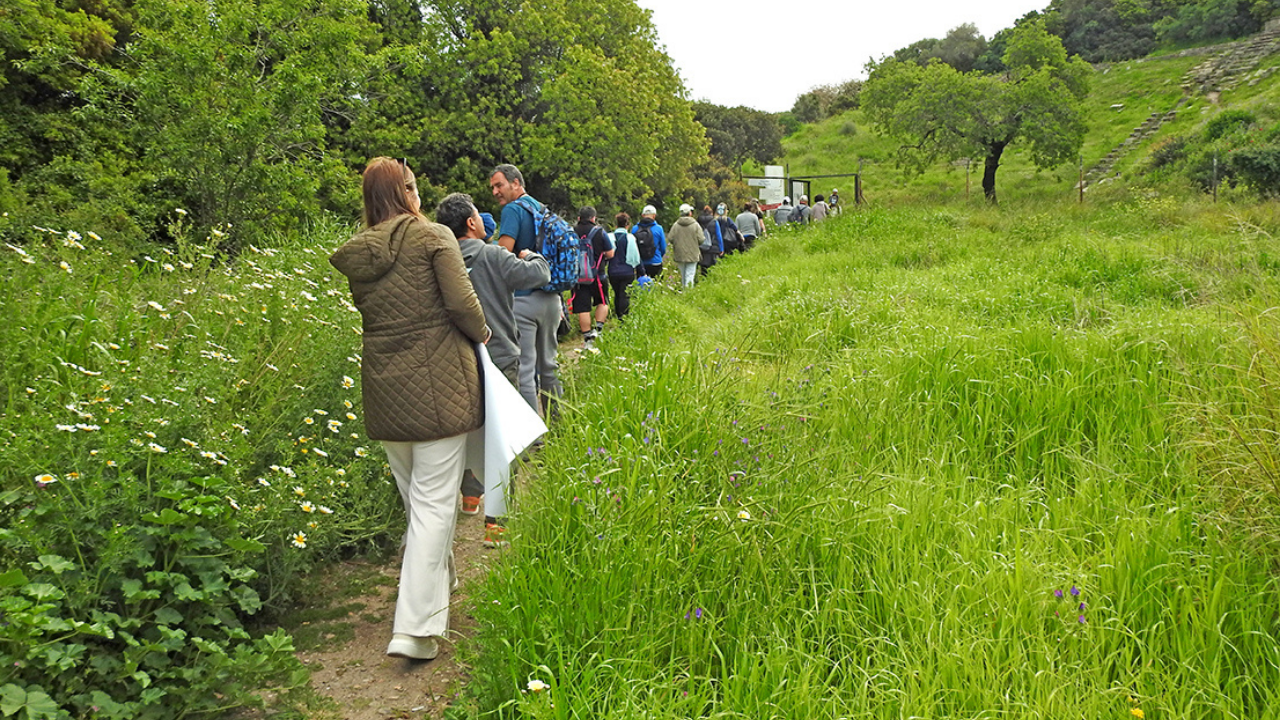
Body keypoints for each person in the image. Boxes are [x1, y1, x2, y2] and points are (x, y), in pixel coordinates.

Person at [329, 157, 490, 661]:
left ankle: (435, 590)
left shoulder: (358, 253)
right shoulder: (434, 236)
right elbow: (462, 304)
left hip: (384, 387)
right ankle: (415, 629)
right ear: (407, 191)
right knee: (434, 505)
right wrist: (483, 334)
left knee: (418, 504)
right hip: (439, 382)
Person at [435, 192, 549, 537]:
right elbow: (539, 275)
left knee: (467, 430)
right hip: (498, 355)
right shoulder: (492, 255)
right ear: (471, 223)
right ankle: (496, 524)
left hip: (454, 359)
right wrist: (532, 254)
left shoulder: (440, 259)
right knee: (500, 437)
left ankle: (469, 498)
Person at [490, 164, 562, 418]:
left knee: (526, 369)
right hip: (552, 297)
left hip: (524, 298)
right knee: (550, 366)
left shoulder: (513, 209)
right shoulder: (541, 209)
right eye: (493, 188)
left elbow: (502, 254)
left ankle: (534, 437)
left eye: (499, 185)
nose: (496, 192)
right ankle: (560, 426)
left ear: (516, 183)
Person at [571, 206, 614, 343]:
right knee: (602, 302)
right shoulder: (599, 232)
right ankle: (598, 330)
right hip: (598, 275)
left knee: (583, 308)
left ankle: (587, 338)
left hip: (578, 277)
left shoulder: (571, 232)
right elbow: (610, 253)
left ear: (579, 218)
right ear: (593, 218)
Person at [605, 212, 643, 319]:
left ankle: (618, 314)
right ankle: (624, 317)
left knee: (617, 294)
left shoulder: (609, 237)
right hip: (628, 271)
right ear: (628, 225)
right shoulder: (631, 238)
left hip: (613, 271)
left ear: (615, 224)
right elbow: (637, 256)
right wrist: (641, 272)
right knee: (625, 295)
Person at [667, 203, 703, 288]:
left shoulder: (676, 225)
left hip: (680, 253)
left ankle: (684, 291)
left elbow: (670, 238)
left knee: (683, 275)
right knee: (690, 274)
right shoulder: (695, 225)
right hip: (693, 253)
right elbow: (701, 239)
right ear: (690, 213)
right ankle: (688, 294)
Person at [632, 205, 667, 281]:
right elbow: (663, 247)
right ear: (654, 216)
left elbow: (632, 247)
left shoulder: (635, 229)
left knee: (641, 286)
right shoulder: (659, 228)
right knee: (657, 286)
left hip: (640, 264)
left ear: (642, 215)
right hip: (655, 262)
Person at [696, 204, 722, 276]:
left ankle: (703, 278)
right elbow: (718, 235)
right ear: (711, 213)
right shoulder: (714, 221)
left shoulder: (698, 222)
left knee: (703, 265)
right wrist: (721, 248)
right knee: (712, 266)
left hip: (702, 246)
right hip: (713, 247)